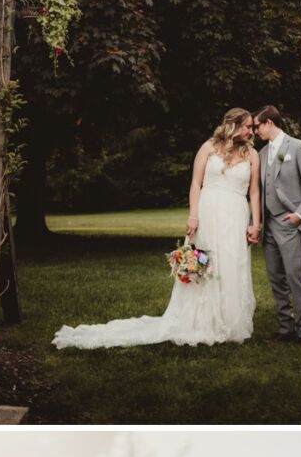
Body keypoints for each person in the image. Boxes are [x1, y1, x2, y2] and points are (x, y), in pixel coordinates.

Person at [55, 108, 262, 349]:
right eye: (248, 126)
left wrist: (255, 224)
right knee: (205, 264)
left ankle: (228, 321)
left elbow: (254, 192)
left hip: (235, 215)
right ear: (233, 125)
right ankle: (201, 320)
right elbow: (195, 183)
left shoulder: (252, 155)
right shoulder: (208, 147)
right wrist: (193, 215)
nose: (251, 131)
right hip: (208, 213)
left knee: (231, 264)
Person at [252, 106, 301, 346]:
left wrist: (298, 216)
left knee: (294, 277)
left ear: (269, 123)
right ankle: (286, 329)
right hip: (269, 226)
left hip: (289, 224)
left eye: (257, 126)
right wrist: (256, 223)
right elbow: (259, 192)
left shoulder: (298, 147)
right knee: (276, 279)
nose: (255, 131)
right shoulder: (261, 154)